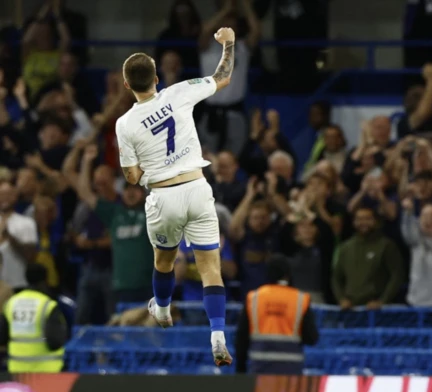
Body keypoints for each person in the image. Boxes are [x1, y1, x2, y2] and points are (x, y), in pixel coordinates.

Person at [114, 27, 236, 366]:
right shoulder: (179, 92)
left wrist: (143, 171)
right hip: (197, 188)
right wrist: (228, 43)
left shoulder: (125, 124)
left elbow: (131, 175)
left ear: (127, 86)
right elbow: (222, 77)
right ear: (156, 78)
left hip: (164, 195)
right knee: (211, 269)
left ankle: (163, 309)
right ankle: (218, 335)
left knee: (163, 262)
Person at [234, 254, 319, 374]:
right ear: (288, 274)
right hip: (291, 370)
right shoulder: (301, 299)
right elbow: (312, 338)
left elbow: (241, 339)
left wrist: (240, 369)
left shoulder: (254, 298)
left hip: (260, 368)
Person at [0, 264, 69, 373]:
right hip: (46, 371)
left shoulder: (11, 303)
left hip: (17, 370)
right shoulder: (47, 305)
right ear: (44, 281)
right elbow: (55, 342)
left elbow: (2, 337)